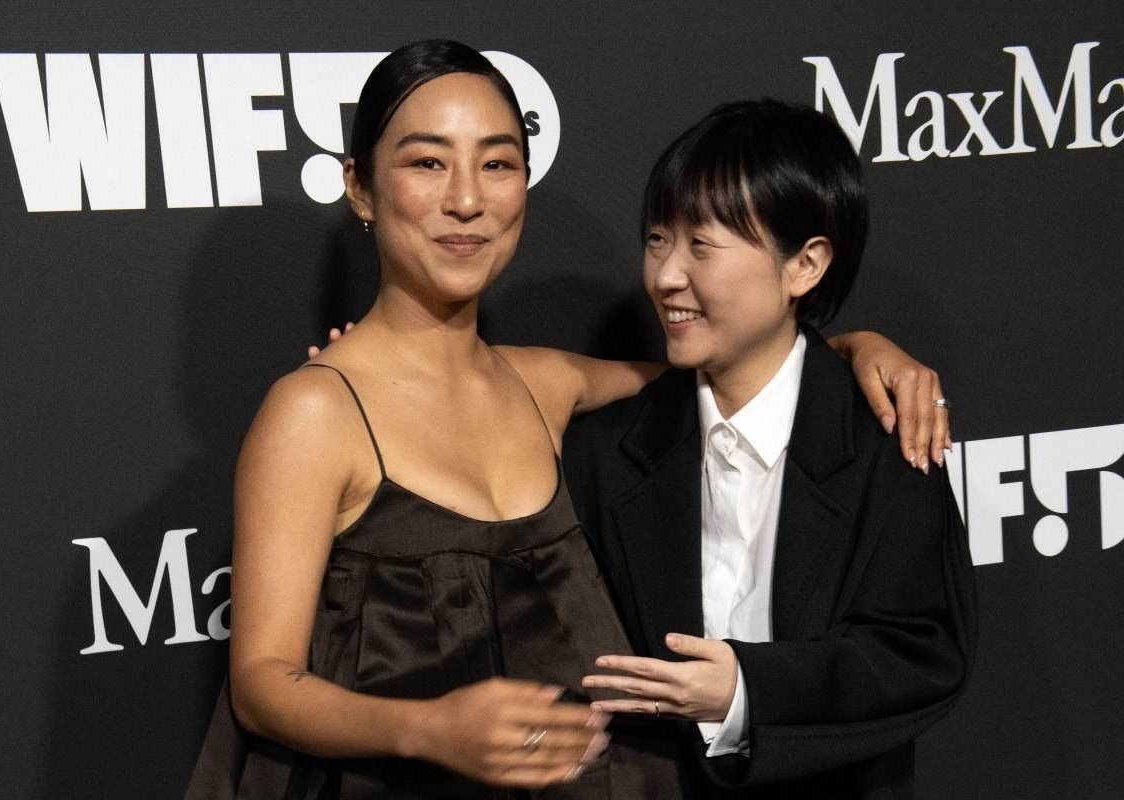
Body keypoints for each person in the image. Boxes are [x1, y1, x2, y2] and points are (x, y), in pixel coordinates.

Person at [186, 41, 950, 799]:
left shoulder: (549, 384)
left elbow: (742, 360)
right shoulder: (313, 412)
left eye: (497, 163)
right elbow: (260, 682)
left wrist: (854, 346)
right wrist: (426, 728)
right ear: (360, 188)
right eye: (427, 163)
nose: (466, 199)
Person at [567, 99, 976, 798]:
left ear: (804, 265)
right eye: (659, 239)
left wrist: (747, 691)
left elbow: (921, 653)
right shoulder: (608, 450)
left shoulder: (889, 435)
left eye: (702, 245)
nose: (666, 276)